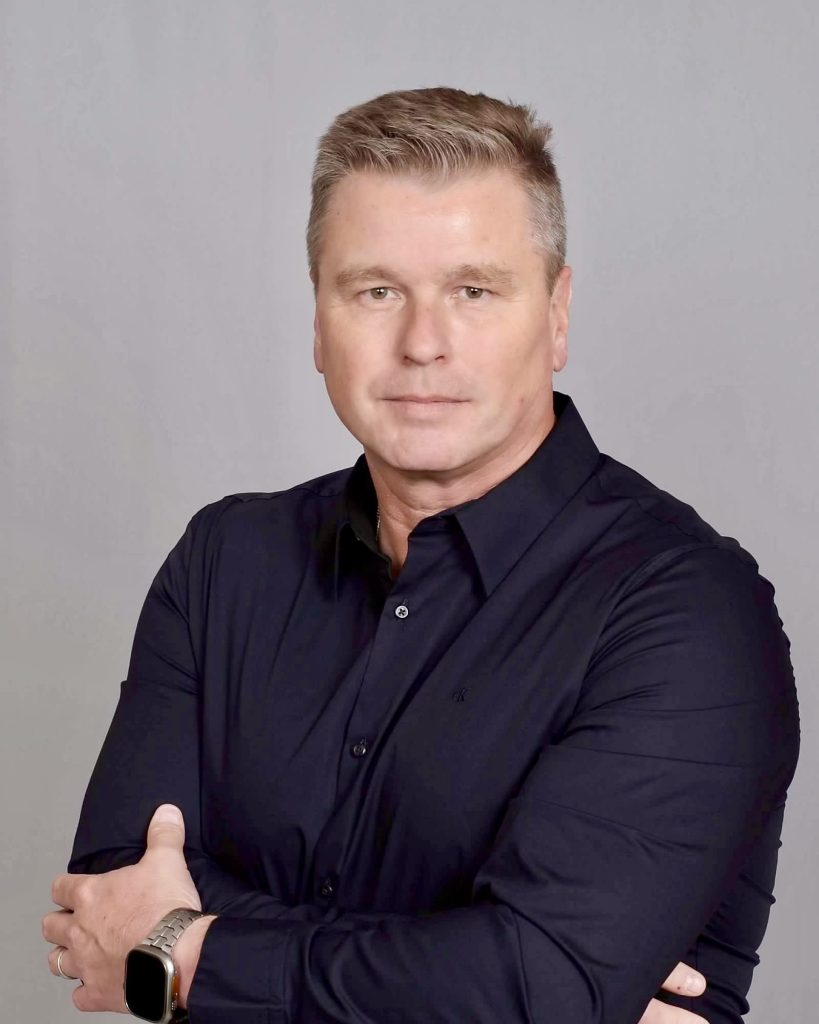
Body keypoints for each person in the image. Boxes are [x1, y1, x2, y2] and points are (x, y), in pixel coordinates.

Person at [42, 87, 799, 1023]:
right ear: (318, 321)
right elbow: (110, 887)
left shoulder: (685, 610)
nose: (422, 344)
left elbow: (535, 985)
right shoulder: (224, 563)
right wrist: (481, 975)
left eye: (473, 291)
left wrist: (186, 950)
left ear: (557, 314)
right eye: (376, 291)